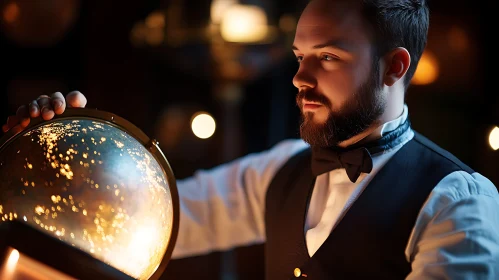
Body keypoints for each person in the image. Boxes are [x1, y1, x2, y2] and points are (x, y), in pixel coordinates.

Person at [3, 0, 499, 279]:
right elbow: (131, 215)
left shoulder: (457, 201)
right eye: (300, 55)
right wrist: (57, 151)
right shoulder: (278, 172)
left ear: (394, 67)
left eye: (327, 57)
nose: (299, 77)